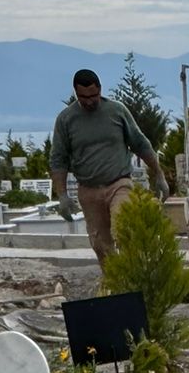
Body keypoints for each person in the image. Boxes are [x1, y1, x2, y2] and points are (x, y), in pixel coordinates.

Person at [49, 68, 169, 264]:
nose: (89, 101)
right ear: (76, 93)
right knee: (100, 243)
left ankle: (133, 271)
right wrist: (62, 195)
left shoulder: (117, 111)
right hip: (88, 189)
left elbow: (140, 143)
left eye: (93, 96)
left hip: (119, 184)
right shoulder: (66, 120)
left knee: (124, 229)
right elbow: (58, 159)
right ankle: (113, 278)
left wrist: (159, 174)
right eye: (83, 97)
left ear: (100, 89)